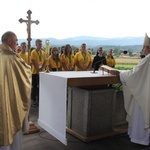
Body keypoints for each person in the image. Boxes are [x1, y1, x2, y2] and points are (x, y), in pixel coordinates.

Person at [110, 33, 150, 146]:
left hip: (143, 94)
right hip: (146, 90)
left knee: (141, 115)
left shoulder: (148, 59)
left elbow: (134, 74)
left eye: (144, 47)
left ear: (149, 48)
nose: (142, 49)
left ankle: (140, 140)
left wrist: (119, 74)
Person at [0, 31, 31, 149]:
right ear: (9, 41)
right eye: (16, 41)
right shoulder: (13, 58)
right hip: (12, 101)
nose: (17, 43)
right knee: (12, 125)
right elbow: (26, 75)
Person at [30, 39, 47, 107]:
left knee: (41, 86)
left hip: (42, 72)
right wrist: (38, 69)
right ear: (36, 44)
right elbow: (33, 61)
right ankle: (33, 100)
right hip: (35, 72)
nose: (40, 45)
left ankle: (40, 99)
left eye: (41, 44)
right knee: (34, 86)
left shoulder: (43, 52)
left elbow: (45, 61)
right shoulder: (33, 52)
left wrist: (42, 68)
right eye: (39, 44)